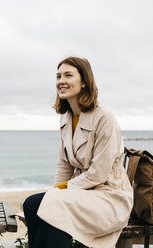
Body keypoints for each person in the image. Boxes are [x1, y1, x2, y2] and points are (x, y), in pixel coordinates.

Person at [23, 57, 133, 248]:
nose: (61, 81)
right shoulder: (66, 117)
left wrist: (59, 192)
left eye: (68, 75)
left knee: (56, 207)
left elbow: (98, 174)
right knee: (31, 204)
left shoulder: (104, 117)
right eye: (58, 76)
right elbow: (64, 164)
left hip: (108, 196)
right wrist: (54, 191)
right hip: (81, 193)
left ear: (84, 82)